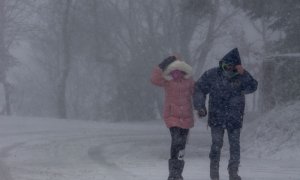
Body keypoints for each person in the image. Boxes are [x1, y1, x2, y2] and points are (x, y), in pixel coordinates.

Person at [193, 48, 258, 180]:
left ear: (236, 67)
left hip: (235, 118)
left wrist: (244, 73)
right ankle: (214, 173)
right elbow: (199, 88)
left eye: (231, 66)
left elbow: (252, 86)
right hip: (216, 117)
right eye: (225, 65)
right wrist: (200, 106)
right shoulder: (212, 75)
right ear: (221, 64)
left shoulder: (241, 76)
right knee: (216, 145)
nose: (227, 69)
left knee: (235, 146)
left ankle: (233, 173)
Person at [150, 55, 194, 180]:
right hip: (172, 117)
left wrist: (201, 105)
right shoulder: (167, 82)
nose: (175, 74)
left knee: (182, 145)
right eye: (173, 71)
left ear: (182, 72)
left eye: (177, 71)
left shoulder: (189, 82)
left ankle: (178, 173)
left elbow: (198, 92)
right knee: (176, 141)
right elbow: (154, 79)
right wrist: (162, 65)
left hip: (186, 117)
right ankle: (172, 173)